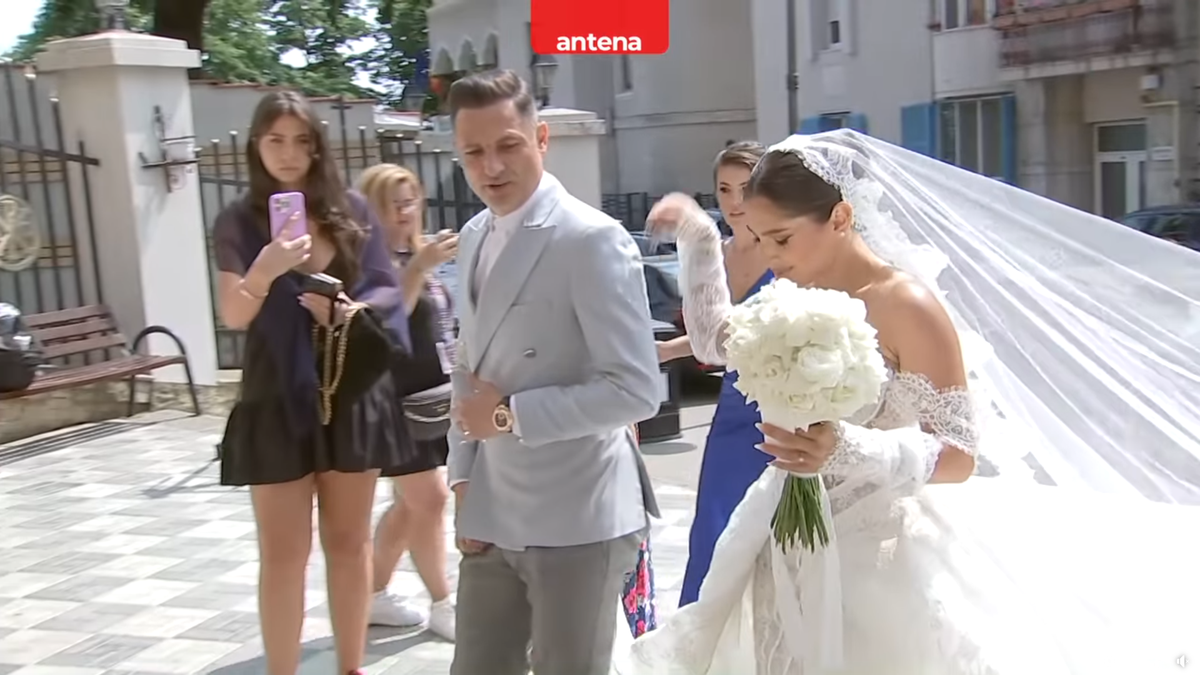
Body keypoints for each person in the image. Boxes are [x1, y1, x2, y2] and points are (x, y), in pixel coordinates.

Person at [615, 129, 1200, 674]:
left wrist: (848, 447)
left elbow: (959, 455)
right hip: (785, 534)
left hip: (884, 552)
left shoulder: (906, 304)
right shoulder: (789, 293)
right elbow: (715, 344)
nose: (770, 256)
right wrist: (698, 242)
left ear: (840, 217)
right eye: (761, 238)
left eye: (782, 238)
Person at [444, 68, 662, 675]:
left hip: (579, 512)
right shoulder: (474, 235)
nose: (491, 167)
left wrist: (508, 416)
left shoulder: (591, 238)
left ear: (541, 139)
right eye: (473, 153)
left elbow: (636, 389)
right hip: (493, 506)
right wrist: (463, 480)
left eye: (507, 145)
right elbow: (467, 363)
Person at [212, 91, 412, 675]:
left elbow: (385, 291)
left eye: (301, 140)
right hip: (275, 396)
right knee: (283, 554)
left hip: (349, 393)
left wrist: (349, 311)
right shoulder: (237, 220)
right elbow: (234, 313)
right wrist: (266, 269)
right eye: (275, 140)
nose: (289, 153)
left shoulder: (353, 209)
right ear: (256, 145)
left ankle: (350, 667)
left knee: (349, 544)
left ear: (318, 146)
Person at [657, 140, 773, 607]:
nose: (734, 201)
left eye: (745, 188)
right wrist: (668, 351)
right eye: (724, 189)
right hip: (732, 411)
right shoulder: (715, 254)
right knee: (713, 530)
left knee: (772, 535)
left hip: (781, 406)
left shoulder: (786, 252)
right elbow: (719, 336)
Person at [356, 163, 458, 640]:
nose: (403, 211)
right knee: (430, 499)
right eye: (391, 203)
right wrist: (417, 267)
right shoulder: (366, 263)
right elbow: (387, 321)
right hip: (392, 403)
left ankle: (371, 593)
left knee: (409, 505)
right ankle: (443, 601)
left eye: (409, 200)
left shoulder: (418, 255)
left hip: (432, 399)